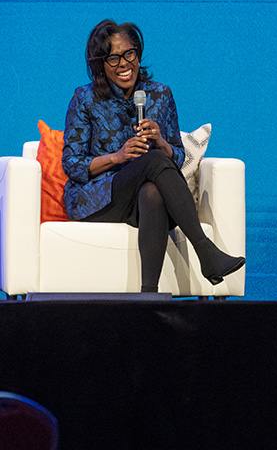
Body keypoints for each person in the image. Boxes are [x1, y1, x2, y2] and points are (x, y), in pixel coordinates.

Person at [62, 19, 245, 292]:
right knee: (153, 162)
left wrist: (162, 142)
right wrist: (118, 156)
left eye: (129, 54)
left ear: (137, 53)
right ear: (101, 64)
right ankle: (205, 251)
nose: (124, 64)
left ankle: (148, 297)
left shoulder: (159, 94)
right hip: (99, 198)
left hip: (142, 197)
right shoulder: (86, 99)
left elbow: (179, 156)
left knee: (153, 191)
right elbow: (72, 164)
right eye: (113, 58)